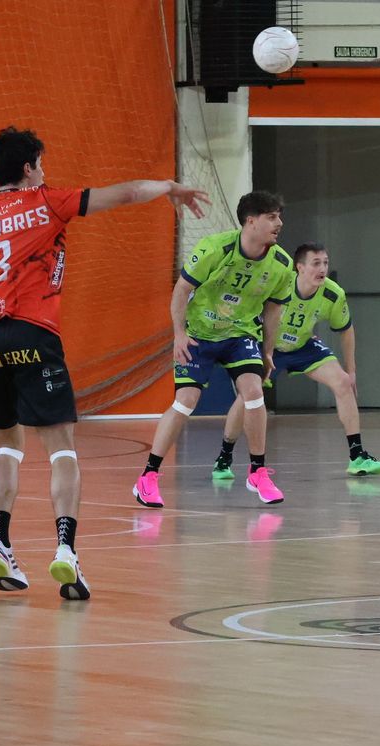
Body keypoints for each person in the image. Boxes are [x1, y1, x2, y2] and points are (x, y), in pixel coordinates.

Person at [0, 126, 208, 599]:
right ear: (28, 168)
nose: (44, 171)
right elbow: (124, 194)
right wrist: (168, 186)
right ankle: (66, 553)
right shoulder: (45, 201)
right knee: (61, 449)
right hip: (32, 333)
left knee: (8, 446)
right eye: (40, 163)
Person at [135, 191, 296, 509]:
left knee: (253, 392)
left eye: (279, 216)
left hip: (240, 334)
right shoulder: (215, 248)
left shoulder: (282, 264)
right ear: (251, 221)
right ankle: (148, 477)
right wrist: (179, 334)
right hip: (199, 333)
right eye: (272, 216)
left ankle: (257, 472)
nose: (279, 222)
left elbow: (274, 310)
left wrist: (267, 351)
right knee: (185, 401)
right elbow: (182, 289)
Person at [211, 243, 380, 479]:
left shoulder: (333, 294)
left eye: (325, 263)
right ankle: (224, 458)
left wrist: (351, 371)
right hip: (268, 346)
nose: (322, 269)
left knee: (343, 382)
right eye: (316, 263)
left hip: (302, 346)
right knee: (248, 397)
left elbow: (346, 330)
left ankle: (357, 456)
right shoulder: (279, 285)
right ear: (299, 267)